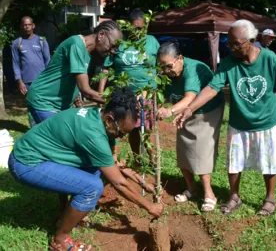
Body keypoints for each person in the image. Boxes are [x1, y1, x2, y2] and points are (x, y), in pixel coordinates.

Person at [8, 87, 163, 251]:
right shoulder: (93, 134)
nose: (121, 137)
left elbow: (112, 163)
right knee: (93, 187)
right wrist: (149, 207)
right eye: (121, 133)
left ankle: (64, 216)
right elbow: (119, 183)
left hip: (39, 155)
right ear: (109, 120)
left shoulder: (96, 115)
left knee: (95, 168)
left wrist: (141, 182)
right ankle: (59, 240)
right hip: (26, 163)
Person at [175, 20, 276, 216]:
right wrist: (190, 108)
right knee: (234, 163)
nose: (231, 47)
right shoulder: (229, 63)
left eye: (236, 44)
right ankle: (234, 196)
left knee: (269, 161)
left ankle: (270, 198)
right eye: (229, 43)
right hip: (239, 122)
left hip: (267, 121)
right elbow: (212, 88)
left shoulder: (269, 58)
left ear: (251, 41)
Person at [156, 40, 225, 212]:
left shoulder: (192, 69)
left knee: (200, 150)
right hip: (184, 111)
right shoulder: (167, 73)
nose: (166, 71)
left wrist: (169, 111)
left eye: (168, 66)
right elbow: (157, 93)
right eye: (162, 67)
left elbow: (190, 99)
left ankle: (209, 194)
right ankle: (191, 189)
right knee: (184, 149)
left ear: (179, 58)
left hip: (206, 111)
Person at [27, 20, 122, 124]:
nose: (113, 51)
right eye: (112, 45)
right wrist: (119, 101)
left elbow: (71, 75)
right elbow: (86, 91)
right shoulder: (76, 45)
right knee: (60, 137)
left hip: (61, 105)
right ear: (101, 35)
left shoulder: (90, 53)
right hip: (43, 101)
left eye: (116, 48)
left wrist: (74, 94)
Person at [99, 9, 160, 165]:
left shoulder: (152, 41)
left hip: (146, 94)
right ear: (128, 27)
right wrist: (100, 94)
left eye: (141, 28)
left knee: (147, 128)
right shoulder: (119, 43)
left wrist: (156, 91)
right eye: (135, 28)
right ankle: (137, 159)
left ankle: (153, 162)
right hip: (124, 96)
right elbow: (106, 69)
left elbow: (161, 67)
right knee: (131, 127)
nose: (138, 32)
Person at [12, 16, 50, 95]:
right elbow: (15, 64)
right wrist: (20, 82)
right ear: (21, 26)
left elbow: (48, 61)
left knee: (42, 105)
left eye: (29, 24)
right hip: (26, 83)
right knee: (30, 105)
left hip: (41, 80)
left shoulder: (42, 41)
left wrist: (47, 79)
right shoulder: (16, 43)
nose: (27, 26)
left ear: (33, 25)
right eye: (25, 25)